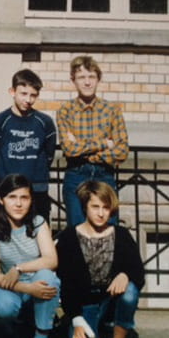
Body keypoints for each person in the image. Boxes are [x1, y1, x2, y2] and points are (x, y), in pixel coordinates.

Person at [56, 181, 144, 338]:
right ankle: (76, 324)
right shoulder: (69, 236)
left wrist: (125, 275)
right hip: (84, 303)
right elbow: (66, 282)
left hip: (111, 299)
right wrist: (76, 318)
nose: (101, 213)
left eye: (106, 207)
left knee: (130, 292)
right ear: (85, 207)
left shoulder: (121, 234)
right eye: (95, 207)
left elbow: (138, 270)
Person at [0, 174, 60, 338]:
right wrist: (27, 288)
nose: (18, 204)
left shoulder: (38, 222)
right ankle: (8, 332)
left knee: (48, 277)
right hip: (10, 288)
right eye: (12, 197)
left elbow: (51, 260)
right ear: (1, 200)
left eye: (24, 198)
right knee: (0, 303)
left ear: (31, 200)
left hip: (35, 284)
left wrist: (20, 268)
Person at [57, 56, 128, 226]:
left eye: (91, 77)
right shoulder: (65, 111)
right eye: (81, 77)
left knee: (108, 230)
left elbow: (122, 150)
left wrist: (85, 151)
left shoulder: (111, 110)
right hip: (76, 174)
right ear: (73, 80)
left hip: (104, 174)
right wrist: (105, 143)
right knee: (77, 231)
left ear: (98, 79)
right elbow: (69, 150)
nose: (87, 82)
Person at [0, 69, 56, 222]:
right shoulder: (0, 121)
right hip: (8, 186)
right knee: (4, 227)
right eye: (23, 94)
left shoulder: (45, 122)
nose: (28, 100)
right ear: (12, 92)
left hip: (36, 187)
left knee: (38, 226)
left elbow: (49, 154)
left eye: (33, 95)